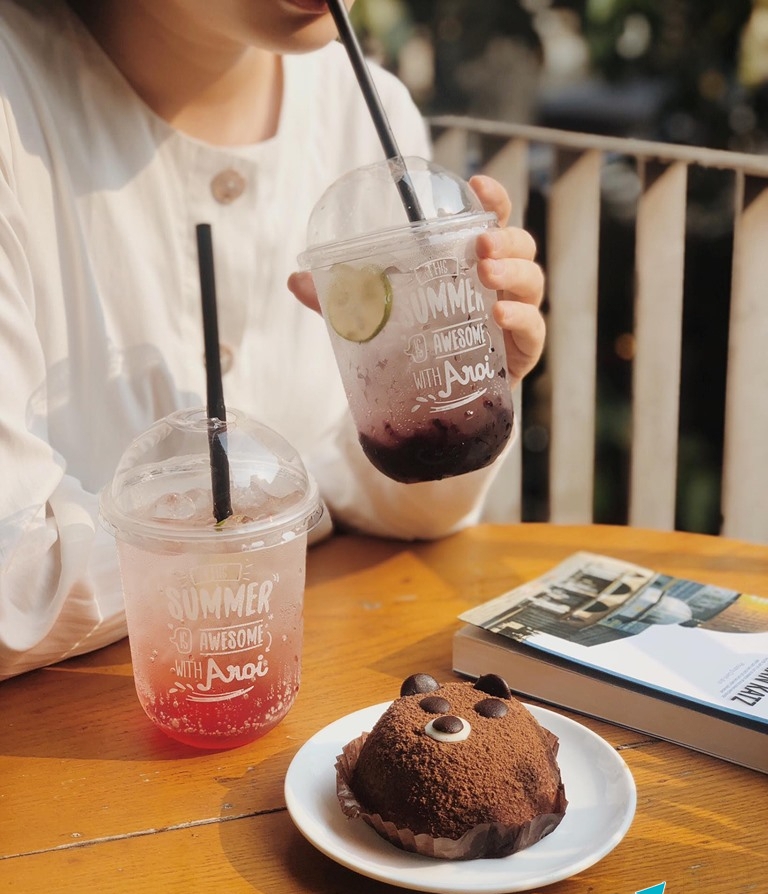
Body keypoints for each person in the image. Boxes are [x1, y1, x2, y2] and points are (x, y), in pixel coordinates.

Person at [0, 0, 546, 679]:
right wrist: (277, 520)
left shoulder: (365, 108)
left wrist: (455, 389)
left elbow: (389, 503)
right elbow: (13, 591)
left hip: (319, 694)